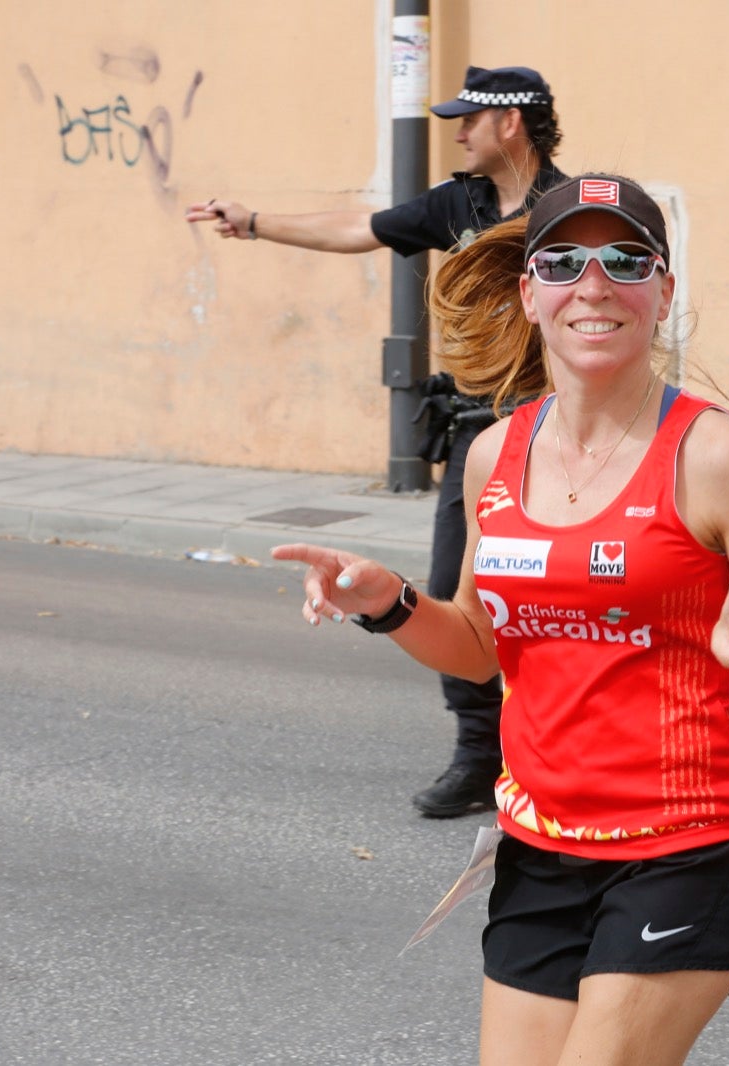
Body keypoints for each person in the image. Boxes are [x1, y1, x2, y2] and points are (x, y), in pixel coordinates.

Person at [271, 173, 729, 1065]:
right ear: (528, 293)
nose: (594, 285)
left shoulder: (718, 454)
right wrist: (386, 602)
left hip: (686, 846)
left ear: (662, 293)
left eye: (625, 260)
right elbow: (473, 650)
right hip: (538, 848)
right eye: (564, 261)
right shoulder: (496, 453)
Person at [186, 66, 568, 818]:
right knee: (463, 591)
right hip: (477, 431)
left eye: (469, 120)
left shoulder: (573, 208)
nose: (457, 133)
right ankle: (477, 752)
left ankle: (569, 741)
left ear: (512, 123)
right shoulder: (458, 201)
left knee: (568, 587)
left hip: (561, 431)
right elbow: (361, 228)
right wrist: (257, 221)